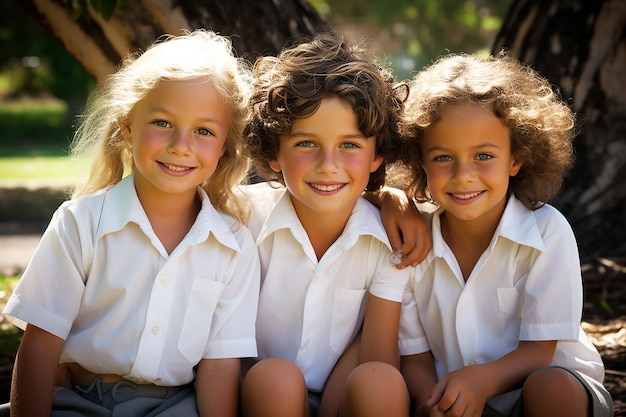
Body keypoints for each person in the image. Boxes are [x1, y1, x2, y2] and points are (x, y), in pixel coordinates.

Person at [1, 29, 260, 417]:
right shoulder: (81, 223)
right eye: (162, 122)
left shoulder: (234, 244)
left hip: (175, 406)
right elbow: (40, 347)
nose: (180, 145)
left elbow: (219, 365)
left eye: (204, 131)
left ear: (224, 147)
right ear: (127, 126)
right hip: (81, 400)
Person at [397, 52, 614, 417]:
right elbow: (415, 359)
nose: (463, 175)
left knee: (552, 385)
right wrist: (427, 403)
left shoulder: (547, 232)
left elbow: (539, 352)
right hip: (456, 397)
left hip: (543, 389)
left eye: (483, 155)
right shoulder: (412, 244)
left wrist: (480, 382)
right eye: (443, 158)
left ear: (516, 158)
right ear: (421, 162)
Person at [239, 32, 413, 417]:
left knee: (381, 381)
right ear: (274, 154)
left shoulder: (389, 241)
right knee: (276, 378)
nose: (328, 164)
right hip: (258, 395)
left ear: (376, 156)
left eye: (349, 145)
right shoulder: (242, 220)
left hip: (342, 397)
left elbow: (376, 356)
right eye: (306, 143)